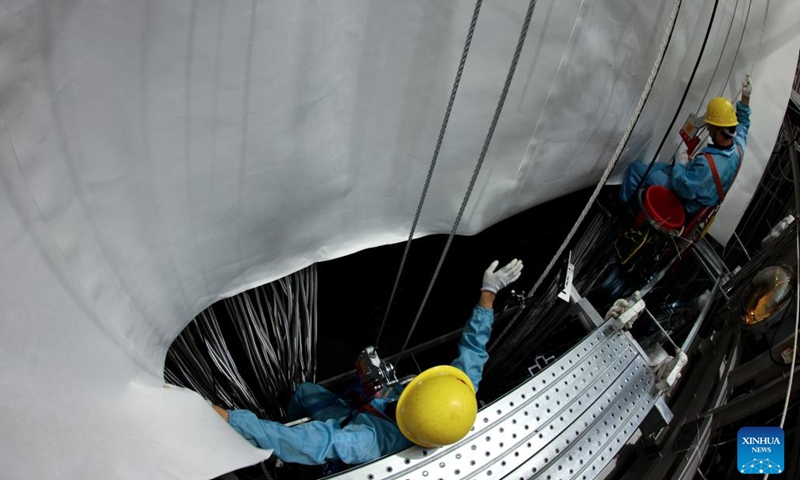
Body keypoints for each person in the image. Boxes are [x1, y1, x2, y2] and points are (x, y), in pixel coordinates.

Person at [212, 258, 524, 466]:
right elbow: (474, 348)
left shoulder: (367, 441)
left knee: (304, 396)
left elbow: (307, 441)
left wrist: (232, 420)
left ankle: (276, 430)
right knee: (306, 392)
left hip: (352, 418)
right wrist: (488, 293)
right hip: (367, 406)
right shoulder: (455, 396)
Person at [619, 75, 753, 215]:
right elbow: (743, 123)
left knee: (637, 170)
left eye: (711, 127)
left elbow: (682, 188)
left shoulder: (707, 164)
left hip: (684, 201)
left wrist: (681, 163)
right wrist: (746, 97)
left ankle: (622, 210)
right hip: (698, 186)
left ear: (719, 130)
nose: (708, 129)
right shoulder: (738, 148)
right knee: (660, 167)